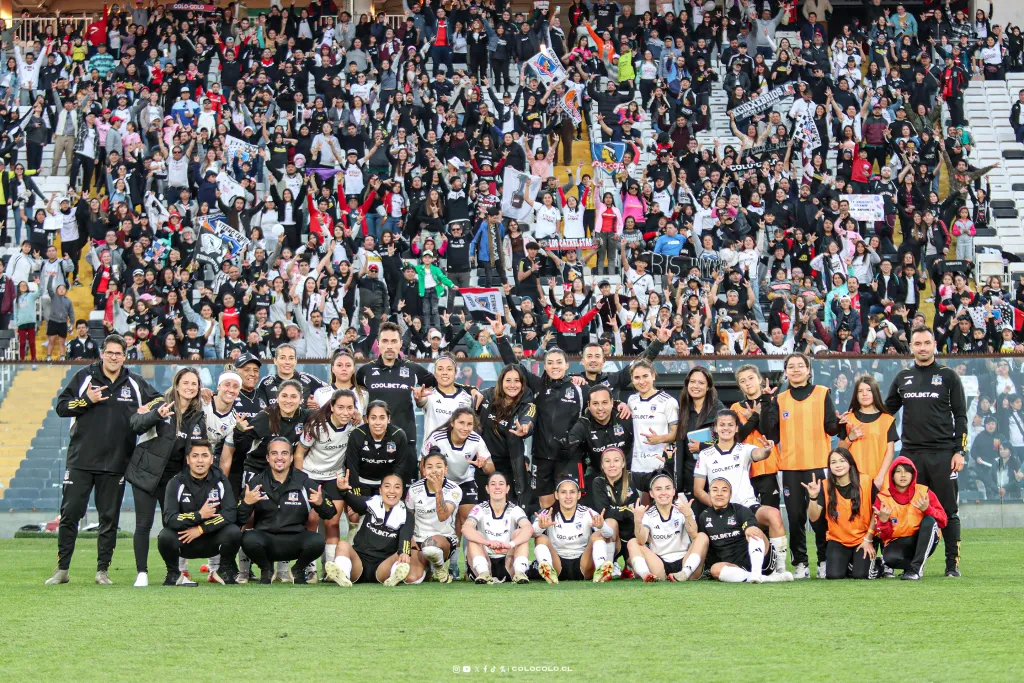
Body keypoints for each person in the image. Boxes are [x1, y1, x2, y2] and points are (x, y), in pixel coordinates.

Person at [49, 334, 159, 585]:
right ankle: (62, 569)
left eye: (118, 353)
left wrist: (148, 410)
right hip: (81, 461)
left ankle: (102, 571)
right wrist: (87, 400)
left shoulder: (134, 382)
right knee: (70, 515)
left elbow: (160, 399)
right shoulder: (85, 376)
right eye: (109, 352)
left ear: (124, 356)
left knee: (109, 519)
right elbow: (62, 406)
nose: (113, 357)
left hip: (117, 463)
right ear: (101, 354)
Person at [884, 326, 967, 577]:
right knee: (910, 509)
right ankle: (912, 562)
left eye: (926, 343)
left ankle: (952, 564)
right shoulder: (903, 377)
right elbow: (886, 412)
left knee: (949, 510)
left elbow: (961, 415)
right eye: (917, 343)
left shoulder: (948, 376)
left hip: (943, 454)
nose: (922, 347)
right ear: (911, 346)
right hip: (911, 456)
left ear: (934, 345)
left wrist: (959, 451)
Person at [494, 318, 588, 510]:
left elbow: (600, 403)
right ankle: (547, 540)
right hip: (542, 456)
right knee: (545, 506)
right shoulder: (537, 386)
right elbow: (514, 365)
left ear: (567, 365)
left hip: (570, 457)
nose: (555, 366)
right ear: (545, 366)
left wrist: (621, 405)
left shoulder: (580, 388)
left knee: (570, 504)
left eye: (559, 362)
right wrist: (500, 338)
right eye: (550, 363)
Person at [125, 367, 207, 588]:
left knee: (172, 527)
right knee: (144, 524)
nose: (190, 387)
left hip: (173, 480)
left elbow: (200, 447)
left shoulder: (198, 415)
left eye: (194, 384)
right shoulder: (159, 402)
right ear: (177, 384)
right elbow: (135, 423)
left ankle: (175, 574)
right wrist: (156, 415)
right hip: (145, 474)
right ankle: (142, 572)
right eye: (186, 383)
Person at [761, 353, 840, 579]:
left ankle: (824, 560)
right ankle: (800, 563)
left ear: (808, 370)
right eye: (791, 367)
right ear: (786, 371)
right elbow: (771, 433)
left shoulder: (822, 393)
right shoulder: (779, 399)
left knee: (820, 517)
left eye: (800, 366)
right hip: (790, 467)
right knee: (795, 517)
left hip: (818, 465)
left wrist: (842, 424)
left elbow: (831, 428)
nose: (796, 370)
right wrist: (766, 402)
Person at [692, 410, 788, 572]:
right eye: (722, 424)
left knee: (774, 514)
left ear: (737, 428)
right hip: (721, 513)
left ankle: (780, 569)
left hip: (747, 507)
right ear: (715, 428)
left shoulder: (744, 449)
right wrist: (717, 506)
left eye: (730, 424)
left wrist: (767, 450)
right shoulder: (705, 454)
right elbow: (698, 490)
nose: (726, 428)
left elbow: (759, 454)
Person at [238, 436, 338, 584]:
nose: (279, 458)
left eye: (284, 453)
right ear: (267, 457)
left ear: (291, 458)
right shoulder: (256, 482)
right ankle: (266, 569)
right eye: (274, 453)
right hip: (265, 540)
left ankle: (297, 569)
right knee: (248, 538)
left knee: (317, 541)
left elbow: (331, 512)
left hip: (295, 539)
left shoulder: (304, 481)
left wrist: (320, 503)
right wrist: (247, 503)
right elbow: (238, 518)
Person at [157, 440, 242, 586]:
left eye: (204, 455)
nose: (200, 460)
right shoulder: (176, 483)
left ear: (211, 459)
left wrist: (201, 529)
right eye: (195, 456)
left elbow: (230, 514)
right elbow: (169, 518)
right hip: (186, 539)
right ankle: (174, 573)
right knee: (164, 536)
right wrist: (199, 515)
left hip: (212, 539)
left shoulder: (221, 480)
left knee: (234, 532)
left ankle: (223, 570)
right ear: (188, 460)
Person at [294, 388, 358, 581]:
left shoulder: (354, 426)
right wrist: (299, 481)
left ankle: (330, 570)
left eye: (350, 408)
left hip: (334, 478)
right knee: (312, 520)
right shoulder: (316, 425)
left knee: (333, 522)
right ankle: (309, 569)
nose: (345, 412)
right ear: (331, 407)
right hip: (311, 476)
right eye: (340, 407)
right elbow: (299, 453)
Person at [355, 321, 436, 462]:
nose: (390, 346)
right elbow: (353, 394)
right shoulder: (365, 371)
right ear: (378, 344)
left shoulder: (413, 368)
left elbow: (439, 384)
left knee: (405, 483)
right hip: (374, 440)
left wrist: (421, 399)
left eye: (394, 341)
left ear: (400, 344)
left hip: (405, 439)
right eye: (385, 341)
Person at [688, 478, 795, 583]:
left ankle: (758, 572)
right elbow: (705, 545)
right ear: (709, 493)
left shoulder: (740, 510)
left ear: (730, 495)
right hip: (735, 567)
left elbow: (751, 525)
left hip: (760, 560)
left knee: (755, 532)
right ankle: (766, 579)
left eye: (724, 490)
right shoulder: (704, 516)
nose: (719, 493)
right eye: (715, 490)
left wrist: (749, 528)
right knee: (715, 570)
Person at [325, 471, 419, 586]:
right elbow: (355, 503)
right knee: (343, 544)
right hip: (359, 562)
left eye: (397, 487)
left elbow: (406, 536)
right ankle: (343, 576)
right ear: (380, 490)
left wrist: (404, 553)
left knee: (403, 553)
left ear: (402, 492)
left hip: (383, 566)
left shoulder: (406, 514)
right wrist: (343, 491)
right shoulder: (372, 502)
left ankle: (395, 575)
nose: (392, 491)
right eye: (387, 486)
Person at [804, 448, 878, 580]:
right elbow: (813, 517)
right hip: (838, 540)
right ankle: (851, 563)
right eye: (833, 462)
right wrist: (813, 497)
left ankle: (877, 564)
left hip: (863, 539)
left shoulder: (866, 481)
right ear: (829, 466)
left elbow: (877, 513)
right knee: (834, 575)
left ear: (850, 463)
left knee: (861, 575)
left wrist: (868, 539)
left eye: (842, 461)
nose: (838, 465)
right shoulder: (825, 486)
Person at [873, 456, 949, 580]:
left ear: (913, 474)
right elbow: (884, 536)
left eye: (907, 471)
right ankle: (908, 566)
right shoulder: (883, 498)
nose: (903, 475)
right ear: (892, 475)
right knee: (890, 559)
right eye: (898, 471)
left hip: (922, 539)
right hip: (898, 542)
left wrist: (927, 509)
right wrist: (883, 521)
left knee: (929, 521)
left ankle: (916, 569)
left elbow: (943, 521)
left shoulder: (924, 492)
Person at [532, 477, 616, 583]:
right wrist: (540, 527)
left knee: (598, 535)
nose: (568, 497)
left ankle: (600, 569)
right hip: (557, 564)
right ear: (556, 495)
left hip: (583, 564)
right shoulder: (548, 513)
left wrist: (601, 526)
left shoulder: (587, 512)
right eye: (563, 492)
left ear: (579, 495)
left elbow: (609, 534)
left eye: (572, 492)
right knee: (541, 537)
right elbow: (532, 533)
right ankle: (548, 570)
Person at [473, 363, 536, 505]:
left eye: (517, 381)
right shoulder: (487, 396)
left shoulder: (527, 403)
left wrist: (525, 427)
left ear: (522, 383)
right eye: (508, 380)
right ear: (501, 382)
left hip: (510, 467)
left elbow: (529, 418)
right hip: (484, 463)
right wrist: (471, 390)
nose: (512, 385)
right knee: (483, 509)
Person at [626, 471, 699, 582]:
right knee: (632, 542)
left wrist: (688, 515)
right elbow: (641, 541)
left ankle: (685, 573)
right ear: (651, 493)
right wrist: (637, 521)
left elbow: (694, 534)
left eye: (668, 488)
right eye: (658, 489)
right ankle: (646, 574)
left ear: (674, 491)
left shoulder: (684, 509)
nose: (663, 493)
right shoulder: (648, 514)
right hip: (660, 564)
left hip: (684, 560)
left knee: (702, 536)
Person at [463, 471, 533, 584]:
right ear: (487, 488)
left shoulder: (515, 510)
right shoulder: (479, 509)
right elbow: (466, 528)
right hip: (486, 558)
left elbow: (528, 529)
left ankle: (520, 572)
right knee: (475, 537)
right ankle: (483, 573)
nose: (497, 487)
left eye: (501, 484)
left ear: (507, 488)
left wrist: (510, 545)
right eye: (493, 484)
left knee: (519, 533)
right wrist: (486, 542)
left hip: (507, 561)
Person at [405, 448, 463, 583]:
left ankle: (440, 567)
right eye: (429, 467)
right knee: (412, 579)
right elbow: (409, 518)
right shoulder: (414, 489)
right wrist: (412, 541)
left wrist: (438, 490)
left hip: (443, 540)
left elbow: (443, 516)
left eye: (439, 466)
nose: (435, 470)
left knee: (430, 548)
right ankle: (426, 569)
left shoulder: (454, 490)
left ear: (446, 469)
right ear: (424, 471)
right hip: (418, 539)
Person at [731, 365, 783, 514]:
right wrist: (754, 417)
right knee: (747, 516)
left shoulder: (773, 401)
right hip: (744, 469)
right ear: (739, 386)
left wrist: (759, 412)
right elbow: (738, 437)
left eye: (751, 378)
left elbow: (771, 435)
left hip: (768, 467)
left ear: (759, 379)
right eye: (742, 381)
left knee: (771, 515)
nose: (747, 383)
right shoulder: (736, 407)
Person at [344, 400, 414, 496]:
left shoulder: (398, 435)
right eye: (373, 418)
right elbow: (352, 467)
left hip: (387, 485)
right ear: (367, 419)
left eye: (382, 418)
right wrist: (355, 495)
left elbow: (400, 468)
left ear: (388, 419)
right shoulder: (357, 435)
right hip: (362, 484)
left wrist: (390, 490)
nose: (378, 423)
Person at [839, 375, 897, 489]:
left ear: (875, 393)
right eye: (860, 391)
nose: (864, 394)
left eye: (869, 390)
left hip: (879, 479)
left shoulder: (887, 420)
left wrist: (880, 478)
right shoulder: (848, 419)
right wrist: (850, 438)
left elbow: (890, 453)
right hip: (853, 478)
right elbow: (840, 450)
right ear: (856, 395)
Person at [626, 360, 679, 474]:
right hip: (637, 466)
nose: (641, 381)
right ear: (632, 379)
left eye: (645, 376)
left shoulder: (668, 401)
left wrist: (659, 439)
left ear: (653, 376)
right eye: (637, 377)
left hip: (660, 465)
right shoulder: (632, 400)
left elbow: (677, 433)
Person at [416, 354, 477, 436]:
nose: (445, 373)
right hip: (433, 448)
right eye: (440, 369)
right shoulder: (429, 395)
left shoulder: (468, 398)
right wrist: (419, 398)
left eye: (449, 369)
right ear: (435, 373)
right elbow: (421, 402)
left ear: (455, 372)